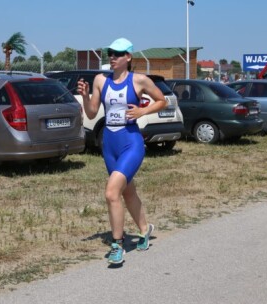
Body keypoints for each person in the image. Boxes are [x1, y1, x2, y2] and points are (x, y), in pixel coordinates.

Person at [77, 38, 167, 264]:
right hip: (110, 145)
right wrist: (86, 96)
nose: (112, 57)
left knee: (111, 193)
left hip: (131, 143)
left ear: (128, 57)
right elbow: (90, 114)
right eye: (110, 53)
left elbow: (162, 101)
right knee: (127, 192)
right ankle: (145, 229)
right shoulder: (100, 80)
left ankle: (117, 244)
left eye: (118, 53)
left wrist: (142, 112)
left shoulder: (139, 80)